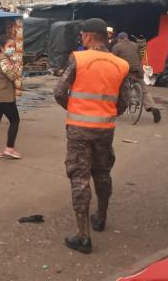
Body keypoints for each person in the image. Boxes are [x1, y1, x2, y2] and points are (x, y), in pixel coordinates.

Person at [54, 18, 130, 254]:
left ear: (87, 36)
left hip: (79, 129)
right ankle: (101, 217)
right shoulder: (121, 65)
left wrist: (75, 108)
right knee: (102, 172)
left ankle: (83, 235)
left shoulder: (78, 58)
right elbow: (124, 102)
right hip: (105, 129)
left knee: (79, 177)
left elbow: (59, 91)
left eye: (83, 36)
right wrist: (105, 113)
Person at [111, 32, 162, 123]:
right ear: (127, 38)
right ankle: (152, 107)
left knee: (118, 88)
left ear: (119, 38)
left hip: (126, 70)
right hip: (138, 70)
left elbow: (113, 60)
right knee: (143, 91)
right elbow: (140, 57)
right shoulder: (135, 45)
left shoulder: (116, 46)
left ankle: (118, 108)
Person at [0, 36, 22, 159]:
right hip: (4, 97)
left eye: (13, 46)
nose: (12, 49)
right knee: (15, 120)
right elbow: (12, 76)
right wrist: (18, 64)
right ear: (2, 48)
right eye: (9, 46)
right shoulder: (4, 61)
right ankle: (9, 148)